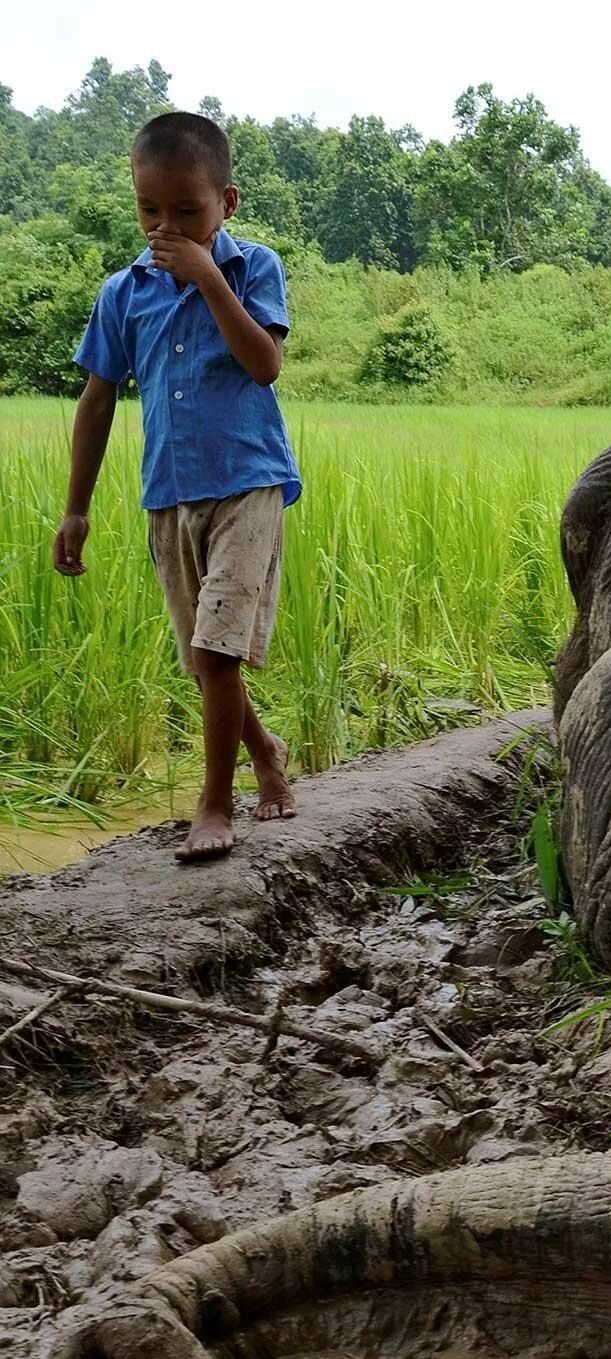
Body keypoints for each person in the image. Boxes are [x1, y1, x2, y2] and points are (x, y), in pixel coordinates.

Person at [53, 111, 302, 861]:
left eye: (187, 211)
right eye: (150, 210)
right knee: (203, 660)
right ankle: (267, 753)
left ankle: (215, 803)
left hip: (248, 483)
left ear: (227, 202)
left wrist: (206, 277)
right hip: (169, 492)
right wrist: (76, 510)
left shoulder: (253, 266)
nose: (167, 227)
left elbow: (265, 364)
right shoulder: (122, 293)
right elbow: (97, 400)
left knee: (218, 654)